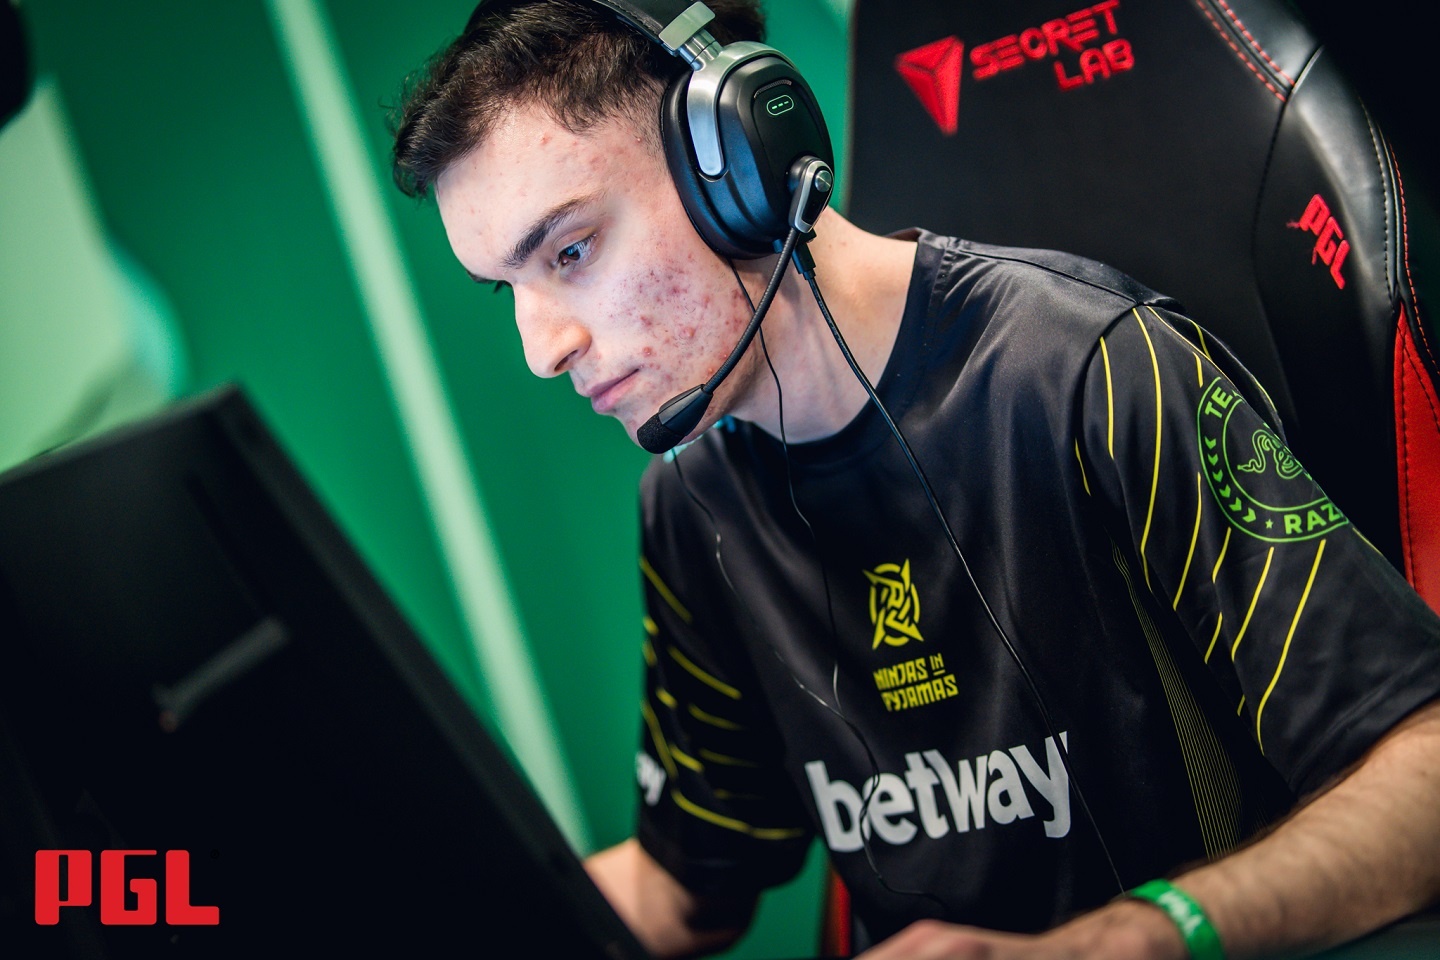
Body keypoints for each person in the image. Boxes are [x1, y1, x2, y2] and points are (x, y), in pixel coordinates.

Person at [390, 1, 1440, 957]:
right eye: (506, 289)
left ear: (734, 162)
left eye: (570, 252)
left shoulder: (1089, 372)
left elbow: (1423, 769)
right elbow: (685, 890)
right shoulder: (691, 500)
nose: (543, 349)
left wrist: (1136, 939)